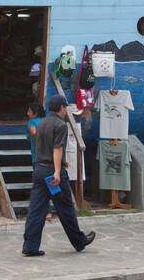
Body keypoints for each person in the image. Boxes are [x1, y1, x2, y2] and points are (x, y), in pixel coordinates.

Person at [22, 96, 96, 256]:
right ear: (62, 108)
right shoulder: (60, 125)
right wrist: (57, 170)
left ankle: (30, 246)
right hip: (53, 174)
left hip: (39, 170)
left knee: (36, 209)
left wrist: (62, 163)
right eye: (66, 108)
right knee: (65, 208)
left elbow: (42, 147)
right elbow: (57, 149)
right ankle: (79, 241)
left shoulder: (40, 124)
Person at [25, 101, 52, 221]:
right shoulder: (48, 122)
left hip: (38, 158)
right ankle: (48, 211)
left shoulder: (32, 122)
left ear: (35, 113)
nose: (27, 113)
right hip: (51, 157)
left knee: (40, 185)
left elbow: (34, 133)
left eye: (29, 111)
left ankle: (45, 211)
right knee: (49, 184)